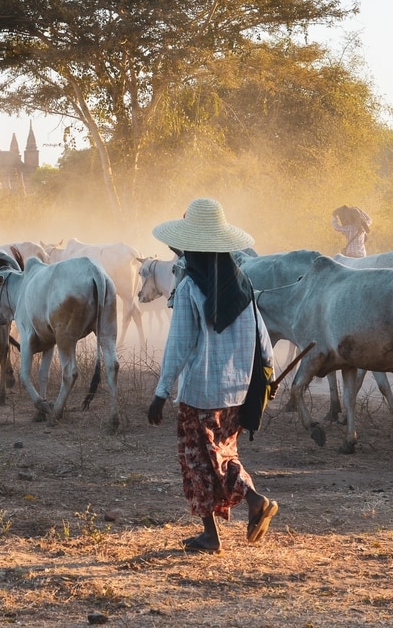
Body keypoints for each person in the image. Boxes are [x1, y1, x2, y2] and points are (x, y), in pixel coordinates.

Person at [147, 197, 279, 554]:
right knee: (223, 454)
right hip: (238, 390)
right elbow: (261, 337)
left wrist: (161, 391)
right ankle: (246, 504)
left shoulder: (191, 287)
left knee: (196, 460)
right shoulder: (241, 284)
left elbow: (179, 344)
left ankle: (236, 514)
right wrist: (269, 376)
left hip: (201, 392)